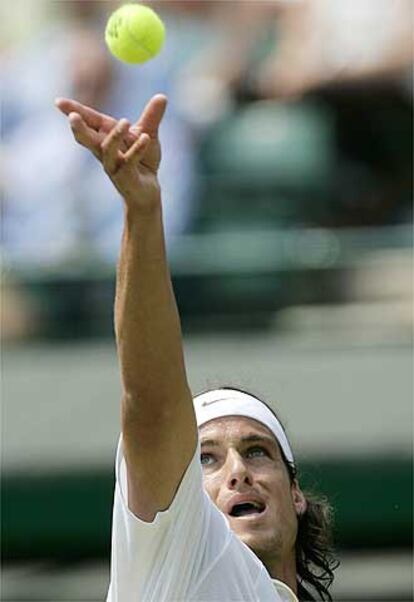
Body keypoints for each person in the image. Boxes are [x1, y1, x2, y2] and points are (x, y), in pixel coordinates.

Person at [55, 94, 337, 601]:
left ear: (295, 494)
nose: (238, 473)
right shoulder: (182, 548)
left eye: (257, 451)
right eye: (205, 459)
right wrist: (142, 211)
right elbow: (154, 403)